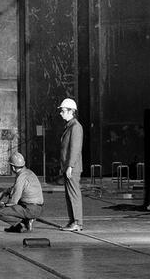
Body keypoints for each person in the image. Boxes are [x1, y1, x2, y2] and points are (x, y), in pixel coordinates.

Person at [0, 151, 44, 232]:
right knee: (16, 206)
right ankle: (21, 223)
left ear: (13, 167)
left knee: (1, 213)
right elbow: (15, 188)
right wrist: (5, 192)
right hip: (37, 207)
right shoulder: (28, 173)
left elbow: (14, 198)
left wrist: (6, 205)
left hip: (29, 209)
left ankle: (22, 224)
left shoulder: (21, 177)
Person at [58, 96, 84, 231]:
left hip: (72, 168)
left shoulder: (76, 127)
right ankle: (72, 220)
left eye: (63, 111)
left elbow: (75, 148)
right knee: (69, 195)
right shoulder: (69, 126)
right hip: (68, 167)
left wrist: (70, 166)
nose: (61, 113)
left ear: (71, 111)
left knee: (73, 194)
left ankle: (77, 222)